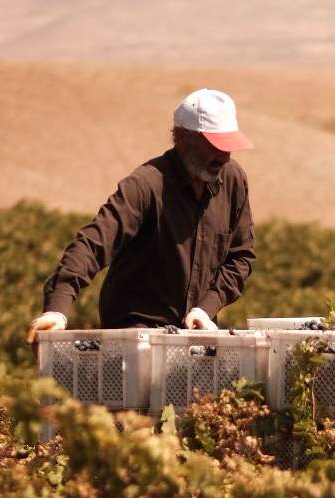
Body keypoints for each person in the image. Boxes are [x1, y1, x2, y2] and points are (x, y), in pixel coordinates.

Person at [27, 88, 255, 339]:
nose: (224, 157)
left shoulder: (233, 181)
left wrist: (206, 307)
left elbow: (240, 258)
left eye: (228, 146)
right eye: (215, 146)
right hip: (135, 333)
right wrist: (56, 310)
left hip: (194, 335)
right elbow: (92, 244)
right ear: (183, 139)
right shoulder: (146, 185)